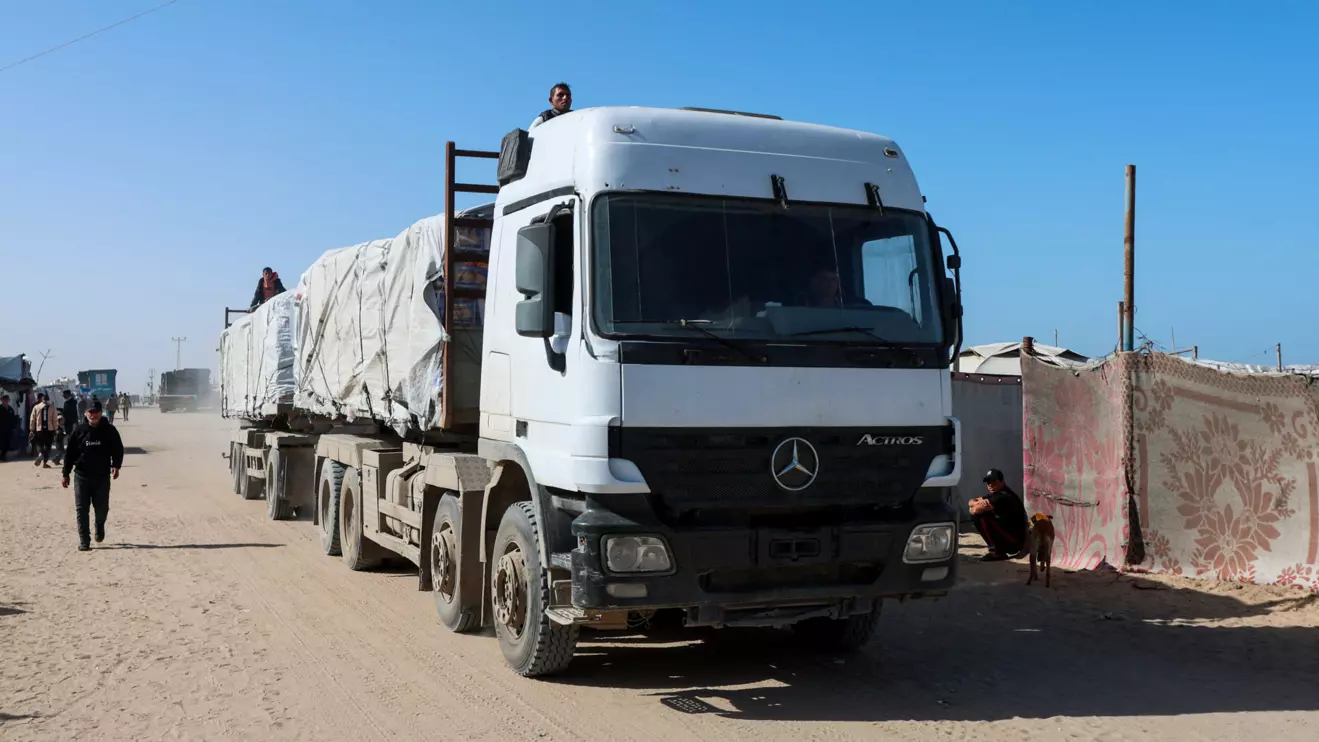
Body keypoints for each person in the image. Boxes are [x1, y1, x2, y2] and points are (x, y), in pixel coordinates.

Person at [62, 401, 124, 551]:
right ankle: (84, 541)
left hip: (102, 476)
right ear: (85, 413)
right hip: (82, 476)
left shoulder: (109, 430)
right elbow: (70, 454)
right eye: (90, 412)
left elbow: (118, 449)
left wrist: (116, 465)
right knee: (81, 509)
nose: (93, 414)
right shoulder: (79, 431)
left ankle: (99, 525)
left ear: (101, 412)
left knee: (102, 508)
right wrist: (65, 473)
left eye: (95, 412)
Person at [969, 468, 1029, 561]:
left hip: (1014, 542)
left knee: (980, 517)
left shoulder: (1003, 495)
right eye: (988, 482)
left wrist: (975, 505)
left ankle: (997, 552)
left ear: (1002, 482)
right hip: (1011, 537)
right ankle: (998, 549)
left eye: (994, 482)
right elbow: (971, 501)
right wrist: (975, 503)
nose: (990, 485)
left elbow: (975, 510)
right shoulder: (997, 493)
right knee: (982, 513)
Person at [28, 392, 60, 468]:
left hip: (39, 430)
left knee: (39, 444)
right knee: (48, 446)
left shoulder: (36, 407)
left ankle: (40, 454)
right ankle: (45, 463)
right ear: (48, 399)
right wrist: (56, 429)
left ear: (42, 399)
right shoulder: (52, 407)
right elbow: (55, 420)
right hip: (49, 430)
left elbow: (32, 419)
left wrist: (32, 429)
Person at [0, 394, 17, 462]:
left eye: (7, 400)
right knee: (2, 443)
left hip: (9, 430)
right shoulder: (0, 408)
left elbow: (13, 418)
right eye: (5, 400)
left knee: (8, 444)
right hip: (1, 429)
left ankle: (3, 456)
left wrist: (14, 427)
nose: (6, 401)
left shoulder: (10, 409)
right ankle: (2, 456)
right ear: (2, 400)